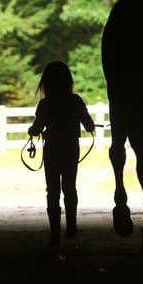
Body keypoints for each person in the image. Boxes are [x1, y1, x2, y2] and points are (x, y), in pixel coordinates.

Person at [28, 61, 95, 247]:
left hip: (52, 150)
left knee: (52, 191)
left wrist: (31, 131)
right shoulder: (75, 101)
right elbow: (89, 125)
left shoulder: (45, 104)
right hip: (71, 148)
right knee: (70, 187)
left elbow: (37, 127)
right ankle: (71, 226)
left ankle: (55, 233)